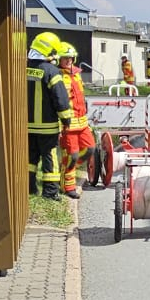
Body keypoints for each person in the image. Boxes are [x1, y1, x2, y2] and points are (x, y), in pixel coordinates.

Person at [26, 32, 72, 200]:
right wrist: (66, 120)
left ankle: (29, 188)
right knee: (49, 157)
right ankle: (50, 192)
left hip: (26, 126)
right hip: (47, 126)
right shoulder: (52, 71)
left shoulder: (23, 68)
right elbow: (60, 99)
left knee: (30, 158)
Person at [56, 45, 95, 198]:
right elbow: (58, 103)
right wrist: (60, 127)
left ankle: (66, 169)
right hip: (68, 124)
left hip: (82, 123)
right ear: (59, 59)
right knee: (72, 156)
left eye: (71, 58)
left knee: (90, 149)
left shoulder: (77, 74)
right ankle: (68, 186)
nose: (68, 61)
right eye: (65, 58)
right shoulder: (58, 75)